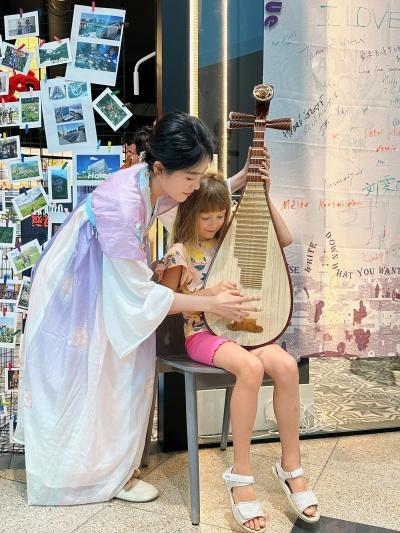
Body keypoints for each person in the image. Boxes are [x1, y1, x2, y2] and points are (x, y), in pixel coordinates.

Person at [14, 112, 260, 506]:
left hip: (99, 275)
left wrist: (240, 179)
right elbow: (142, 297)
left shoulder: (150, 180)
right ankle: (89, 475)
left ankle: (108, 470)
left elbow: (191, 200)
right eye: (191, 178)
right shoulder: (125, 204)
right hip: (81, 284)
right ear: (161, 168)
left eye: (200, 176)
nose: (196, 186)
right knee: (93, 373)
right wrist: (209, 301)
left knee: (112, 373)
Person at [157, 171, 319, 531]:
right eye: (206, 216)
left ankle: (291, 466)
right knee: (250, 368)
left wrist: (265, 193)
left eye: (220, 215)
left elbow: (285, 238)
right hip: (202, 334)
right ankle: (240, 474)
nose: (214, 223)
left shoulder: (230, 237)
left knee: (286, 366)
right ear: (189, 213)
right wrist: (209, 297)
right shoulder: (179, 252)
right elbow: (164, 303)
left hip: (243, 331)